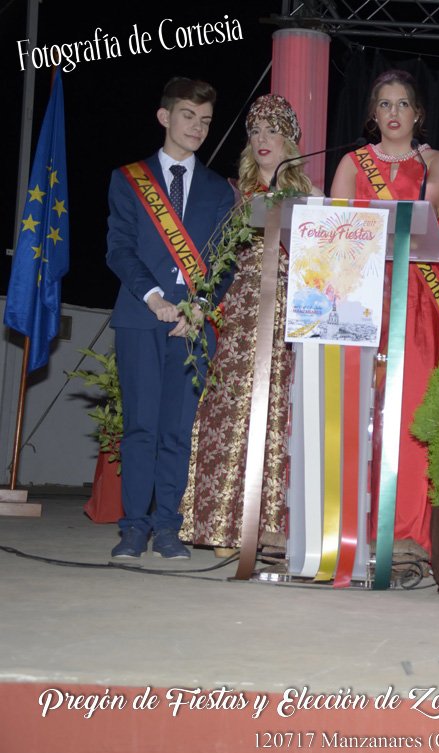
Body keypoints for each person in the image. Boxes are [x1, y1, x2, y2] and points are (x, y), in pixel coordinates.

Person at [178, 94, 321, 554]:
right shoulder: (232, 192)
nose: (263, 139)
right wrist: (202, 303)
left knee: (282, 410)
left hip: (292, 313)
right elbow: (216, 259)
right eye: (256, 131)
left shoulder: (312, 196)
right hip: (241, 310)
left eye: (273, 131)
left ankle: (272, 526)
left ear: (289, 141)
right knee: (234, 408)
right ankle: (224, 522)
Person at [106, 77, 235, 559]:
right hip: (141, 316)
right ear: (164, 117)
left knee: (177, 432)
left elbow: (225, 260)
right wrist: (155, 298)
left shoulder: (219, 190)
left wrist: (199, 306)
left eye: (206, 120)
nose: (197, 127)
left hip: (193, 325)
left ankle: (167, 529)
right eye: (188, 115)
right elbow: (119, 249)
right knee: (141, 427)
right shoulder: (129, 179)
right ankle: (133, 528)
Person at [330, 69, 439, 553]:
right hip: (358, 295)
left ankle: (404, 526)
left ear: (418, 114)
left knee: (409, 410)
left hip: (416, 295)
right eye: (385, 104)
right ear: (373, 114)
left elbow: (429, 213)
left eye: (403, 104)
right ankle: (347, 522)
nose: (394, 112)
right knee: (356, 406)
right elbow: (334, 225)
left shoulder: (435, 161)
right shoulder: (351, 162)